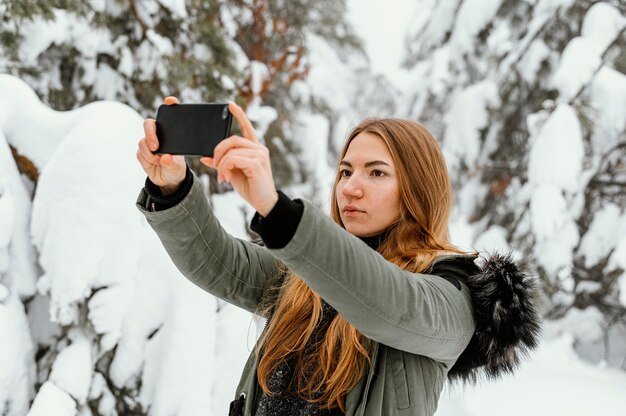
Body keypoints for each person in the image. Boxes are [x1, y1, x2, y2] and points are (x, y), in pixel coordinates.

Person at [136, 97, 541, 416]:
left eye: (376, 172)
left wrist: (277, 211)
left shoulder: (453, 295)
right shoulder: (307, 272)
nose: (350, 188)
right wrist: (172, 187)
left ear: (418, 189)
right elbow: (220, 263)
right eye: (345, 172)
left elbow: (386, 302)